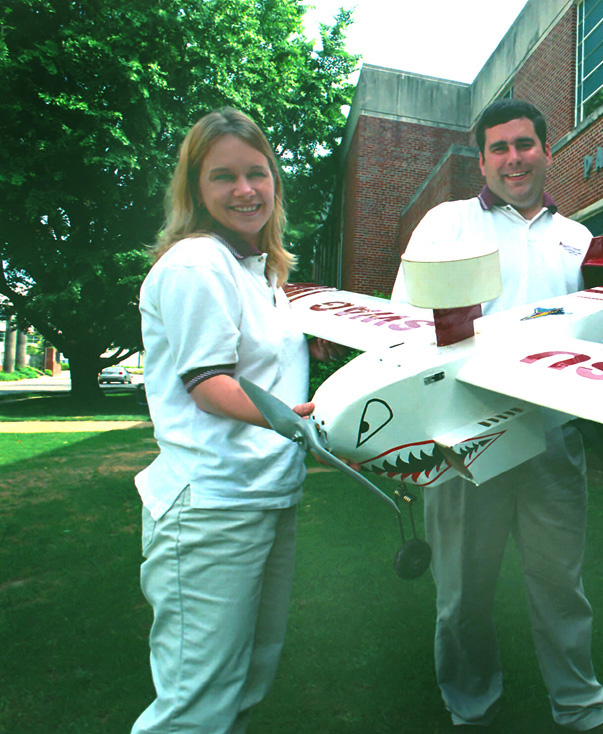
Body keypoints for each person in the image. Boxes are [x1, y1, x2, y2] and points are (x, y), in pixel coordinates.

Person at [392, 99, 603, 734]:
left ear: (546, 150)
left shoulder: (578, 241)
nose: (513, 158)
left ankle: (579, 708)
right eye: (499, 148)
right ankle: (471, 706)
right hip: (465, 443)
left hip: (551, 439)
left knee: (559, 588)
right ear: (482, 158)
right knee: (462, 595)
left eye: (524, 144)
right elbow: (406, 323)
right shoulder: (446, 223)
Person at [134, 108, 335, 733]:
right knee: (195, 705)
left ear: (275, 179)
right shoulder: (198, 262)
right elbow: (208, 385)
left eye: (257, 173)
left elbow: (251, 356)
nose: (245, 190)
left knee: (246, 680)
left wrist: (305, 342)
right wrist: (297, 418)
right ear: (195, 187)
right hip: (213, 506)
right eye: (223, 177)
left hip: (265, 496)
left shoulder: (260, 269)